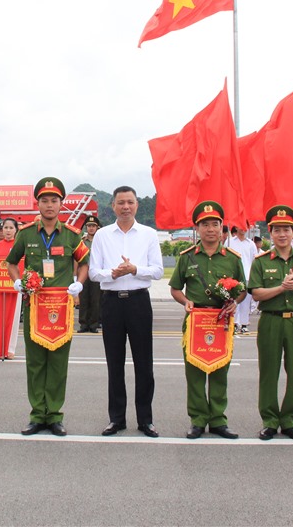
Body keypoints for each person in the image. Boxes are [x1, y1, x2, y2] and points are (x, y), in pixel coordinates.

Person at [6, 177, 89, 437]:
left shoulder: (72, 235)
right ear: (38, 203)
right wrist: (17, 281)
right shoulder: (26, 233)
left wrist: (79, 282)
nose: (50, 205)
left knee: (57, 363)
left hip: (61, 309)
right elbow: (11, 262)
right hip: (34, 306)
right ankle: (36, 414)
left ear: (61, 204)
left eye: (54, 200)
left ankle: (54, 415)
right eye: (45, 200)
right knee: (35, 363)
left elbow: (85, 262)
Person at [89, 186, 164, 438]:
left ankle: (146, 419)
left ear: (137, 205)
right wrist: (113, 273)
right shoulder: (101, 235)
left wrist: (133, 269)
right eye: (120, 203)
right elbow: (92, 272)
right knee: (114, 363)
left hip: (138, 302)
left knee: (144, 364)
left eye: (130, 202)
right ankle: (116, 419)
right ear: (112, 206)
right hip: (111, 303)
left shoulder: (149, 234)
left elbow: (157, 271)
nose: (125, 207)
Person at [169, 201, 247, 439]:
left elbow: (243, 289)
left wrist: (235, 301)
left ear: (222, 228)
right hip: (195, 321)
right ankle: (197, 419)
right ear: (197, 228)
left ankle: (218, 419)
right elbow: (175, 288)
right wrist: (185, 301)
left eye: (215, 224)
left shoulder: (232, 258)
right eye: (205, 225)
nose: (210, 229)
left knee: (220, 371)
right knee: (194, 373)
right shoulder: (187, 257)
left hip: (221, 321)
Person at [248, 205, 293, 441]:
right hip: (271, 320)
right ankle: (270, 420)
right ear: (271, 233)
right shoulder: (261, 261)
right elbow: (257, 294)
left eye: (287, 230)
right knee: (269, 371)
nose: (282, 234)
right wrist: (281, 287)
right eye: (277, 230)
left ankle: (289, 419)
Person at [228, 225, 257, 335]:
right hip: (234, 276)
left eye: (245, 227)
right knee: (235, 300)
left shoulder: (251, 244)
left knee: (246, 301)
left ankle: (244, 324)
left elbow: (255, 259)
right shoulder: (230, 242)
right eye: (241, 227)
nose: (243, 229)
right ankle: (235, 323)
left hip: (247, 275)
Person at [79, 215, 103, 333]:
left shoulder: (101, 241)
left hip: (96, 273)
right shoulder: (82, 242)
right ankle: (83, 324)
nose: (91, 228)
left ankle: (94, 324)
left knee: (95, 300)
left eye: (93, 226)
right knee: (83, 300)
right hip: (84, 273)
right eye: (89, 226)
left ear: (97, 227)